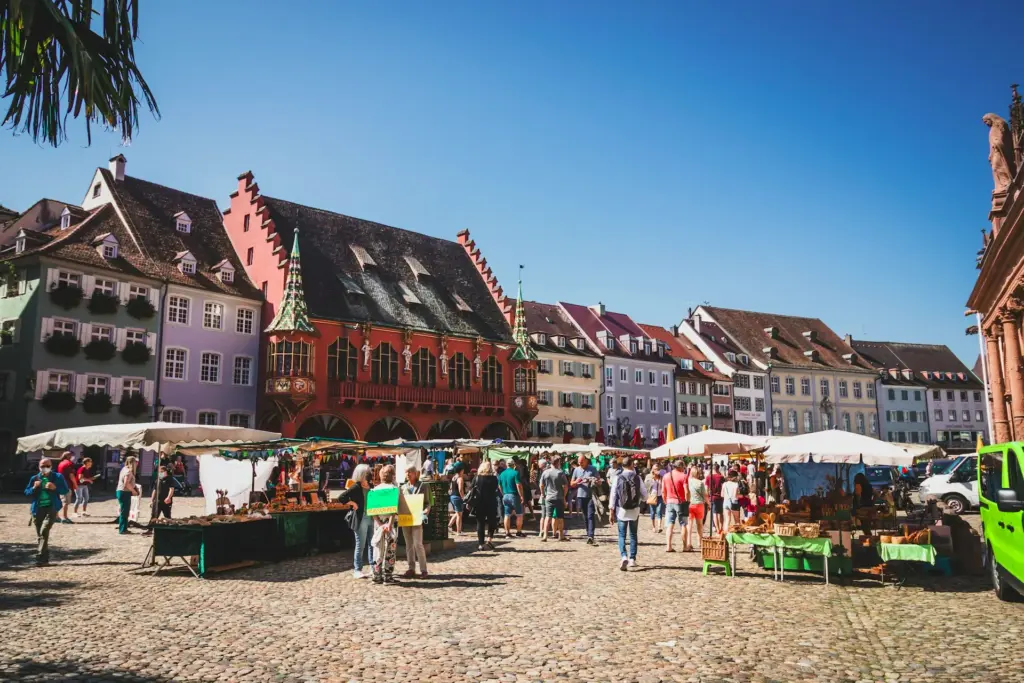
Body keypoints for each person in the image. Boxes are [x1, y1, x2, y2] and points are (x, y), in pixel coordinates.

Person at [25, 458, 69, 566]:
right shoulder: (34, 478)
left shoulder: (57, 477)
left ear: (51, 466)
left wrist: (55, 487)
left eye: (48, 466)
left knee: (44, 531)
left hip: (52, 507)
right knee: (41, 535)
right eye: (43, 466)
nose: (45, 468)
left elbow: (65, 490)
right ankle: (44, 559)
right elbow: (27, 492)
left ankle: (40, 557)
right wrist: (34, 487)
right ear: (39, 467)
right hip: (37, 509)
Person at [609, 457, 645, 570]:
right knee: (633, 535)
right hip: (634, 510)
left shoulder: (617, 478)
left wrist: (611, 510)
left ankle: (624, 555)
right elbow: (645, 494)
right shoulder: (637, 477)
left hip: (621, 510)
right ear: (632, 465)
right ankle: (632, 559)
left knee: (621, 535)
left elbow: (613, 495)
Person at [338, 464, 374, 578]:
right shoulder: (356, 487)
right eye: (367, 473)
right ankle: (357, 569)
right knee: (360, 545)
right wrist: (353, 503)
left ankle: (374, 568)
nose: (369, 475)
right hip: (360, 518)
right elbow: (341, 497)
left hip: (372, 517)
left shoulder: (371, 486)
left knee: (372, 544)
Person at [370, 465, 400, 585]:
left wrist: (380, 523)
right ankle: (388, 576)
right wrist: (389, 524)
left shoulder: (374, 490)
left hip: (379, 524)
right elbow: (394, 509)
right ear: (392, 476)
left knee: (378, 547)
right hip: (390, 523)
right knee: (390, 549)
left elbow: (371, 510)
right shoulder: (393, 489)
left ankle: (376, 575)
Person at [401, 465, 431, 578]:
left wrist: (425, 512)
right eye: (406, 472)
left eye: (410, 472)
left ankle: (424, 570)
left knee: (418, 544)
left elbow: (428, 503)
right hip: (406, 518)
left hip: (417, 518)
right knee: (408, 544)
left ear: (415, 473)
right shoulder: (403, 487)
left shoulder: (423, 486)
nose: (408, 474)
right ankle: (411, 568)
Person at [472, 460, 501, 551]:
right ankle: (489, 540)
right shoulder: (494, 479)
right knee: (492, 522)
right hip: (491, 502)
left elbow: (471, 488)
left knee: (480, 523)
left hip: (479, 502)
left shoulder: (476, 478)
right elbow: (495, 489)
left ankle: (481, 543)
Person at [570, 455, 600, 545]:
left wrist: (593, 480)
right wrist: (577, 482)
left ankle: (591, 535)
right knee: (585, 516)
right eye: (579, 462)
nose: (580, 464)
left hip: (591, 496)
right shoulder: (576, 470)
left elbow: (599, 481)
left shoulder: (593, 469)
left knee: (590, 515)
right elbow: (571, 483)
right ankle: (588, 534)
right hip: (580, 496)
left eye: (582, 462)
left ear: (586, 461)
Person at [662, 459, 690, 552]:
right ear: (681, 467)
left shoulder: (666, 476)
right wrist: (687, 500)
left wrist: (665, 500)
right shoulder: (684, 476)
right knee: (683, 524)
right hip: (680, 502)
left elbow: (663, 491)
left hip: (669, 501)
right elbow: (686, 491)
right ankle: (685, 546)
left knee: (670, 524)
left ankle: (668, 546)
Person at [539, 457, 569, 541]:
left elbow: (541, 485)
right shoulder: (560, 473)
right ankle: (561, 535)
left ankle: (545, 535)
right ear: (558, 463)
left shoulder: (545, 472)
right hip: (559, 497)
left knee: (548, 516)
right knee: (560, 517)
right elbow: (566, 486)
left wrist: (543, 494)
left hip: (548, 497)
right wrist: (564, 495)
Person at [498, 458, 525, 538]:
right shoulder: (515, 473)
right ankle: (519, 531)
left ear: (507, 465)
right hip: (514, 495)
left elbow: (499, 486)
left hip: (506, 495)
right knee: (519, 514)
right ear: (514, 465)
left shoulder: (502, 474)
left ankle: (507, 533)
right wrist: (521, 496)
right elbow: (518, 485)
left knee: (507, 514)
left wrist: (503, 493)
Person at [116, 456, 141, 534]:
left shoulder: (124, 469)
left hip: (121, 492)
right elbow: (126, 483)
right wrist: (133, 491)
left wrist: (134, 487)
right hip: (124, 492)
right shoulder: (128, 471)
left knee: (125, 511)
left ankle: (124, 528)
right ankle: (122, 529)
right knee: (124, 512)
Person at [687, 466, 707, 547]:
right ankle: (699, 542)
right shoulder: (700, 483)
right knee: (699, 524)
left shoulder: (688, 482)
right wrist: (708, 503)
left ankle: (689, 542)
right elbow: (704, 495)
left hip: (690, 504)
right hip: (699, 505)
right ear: (698, 473)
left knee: (689, 525)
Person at [55, 452, 77, 524]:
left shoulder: (61, 463)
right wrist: (75, 484)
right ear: (68, 456)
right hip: (66, 485)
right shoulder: (69, 464)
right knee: (65, 502)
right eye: (72, 455)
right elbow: (71, 475)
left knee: (59, 501)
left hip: (59, 484)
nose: (73, 456)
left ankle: (56, 516)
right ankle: (65, 518)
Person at [705, 463, 725, 534]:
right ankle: (722, 527)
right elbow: (723, 487)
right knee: (721, 513)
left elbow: (706, 489)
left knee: (714, 514)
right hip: (720, 497)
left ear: (712, 468)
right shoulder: (721, 477)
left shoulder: (708, 477)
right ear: (718, 468)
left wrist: (707, 499)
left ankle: (717, 528)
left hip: (713, 497)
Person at [447, 463, 466, 535]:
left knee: (457, 513)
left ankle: (449, 525)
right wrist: (464, 498)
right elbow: (461, 490)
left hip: (452, 496)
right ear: (461, 470)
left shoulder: (454, 477)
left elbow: (451, 488)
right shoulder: (460, 479)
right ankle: (459, 531)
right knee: (459, 515)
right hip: (457, 497)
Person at [644, 467, 664, 533]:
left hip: (660, 496)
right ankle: (653, 527)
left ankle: (659, 527)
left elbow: (665, 472)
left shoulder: (661, 477)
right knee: (652, 512)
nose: (657, 470)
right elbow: (646, 486)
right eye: (655, 469)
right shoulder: (649, 477)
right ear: (652, 470)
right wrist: (652, 480)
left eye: (658, 469)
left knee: (659, 511)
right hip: (652, 496)